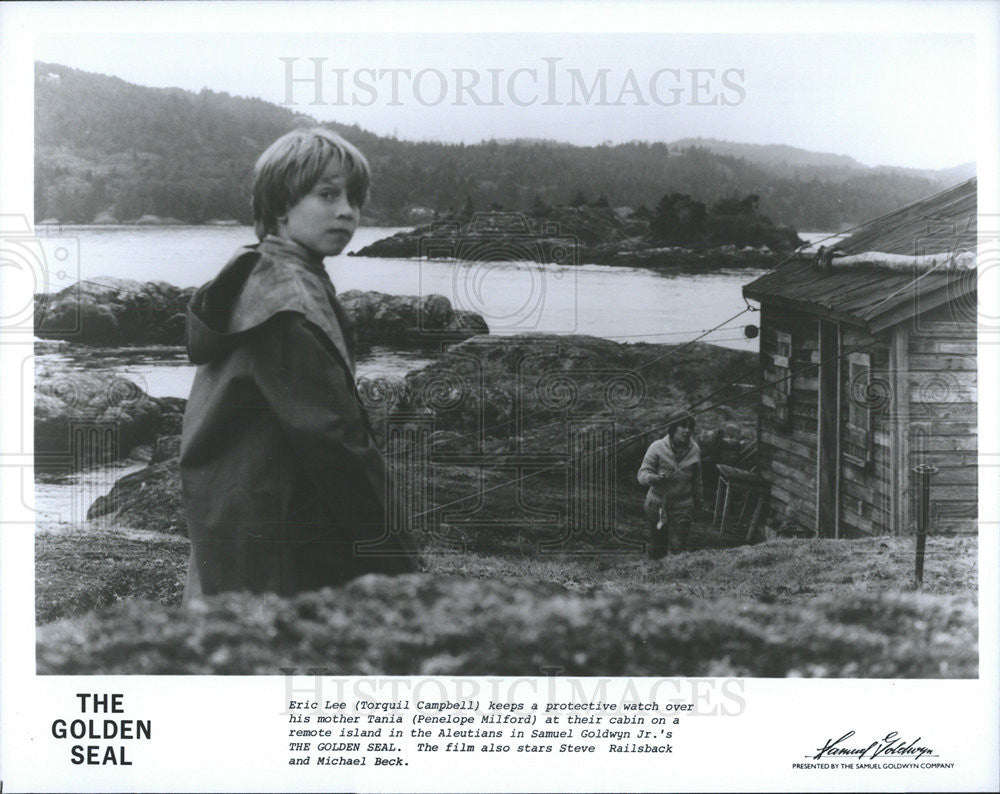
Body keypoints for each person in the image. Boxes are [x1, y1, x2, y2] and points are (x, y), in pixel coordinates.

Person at [180, 127, 419, 599]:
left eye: (354, 199)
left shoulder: (257, 271)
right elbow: (335, 443)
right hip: (281, 537)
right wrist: (396, 558)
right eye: (328, 195)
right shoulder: (290, 304)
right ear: (280, 206)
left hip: (230, 520)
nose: (347, 211)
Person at [637, 416, 703, 558]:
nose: (687, 431)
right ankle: (655, 577)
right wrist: (651, 478)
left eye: (690, 427)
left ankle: (677, 577)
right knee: (658, 547)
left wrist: (699, 501)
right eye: (683, 426)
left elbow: (697, 480)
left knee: (679, 547)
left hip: (683, 506)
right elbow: (642, 473)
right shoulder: (657, 447)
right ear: (673, 428)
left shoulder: (695, 449)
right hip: (658, 504)